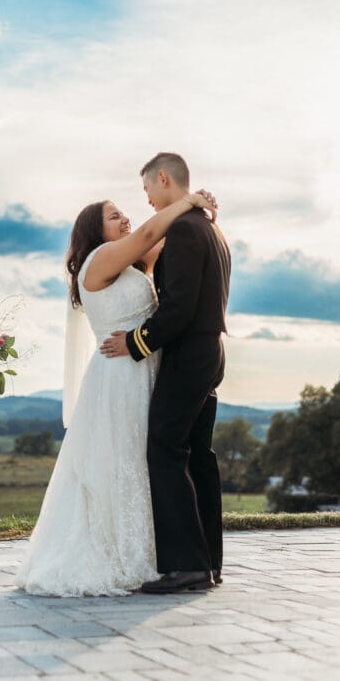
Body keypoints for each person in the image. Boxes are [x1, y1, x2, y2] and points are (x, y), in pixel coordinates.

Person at [14, 186, 217, 597]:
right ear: (94, 230)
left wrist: (203, 215)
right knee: (127, 458)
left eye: (125, 212)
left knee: (149, 462)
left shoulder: (131, 266)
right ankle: (125, 554)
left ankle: (174, 555)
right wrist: (189, 200)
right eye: (114, 216)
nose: (125, 218)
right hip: (120, 375)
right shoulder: (99, 261)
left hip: (147, 369)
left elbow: (168, 241)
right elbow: (146, 236)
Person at [101, 152, 231, 594]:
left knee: (165, 450)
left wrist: (134, 342)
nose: (149, 202)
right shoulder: (209, 227)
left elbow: (177, 310)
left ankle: (186, 566)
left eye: (147, 191)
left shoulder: (185, 231)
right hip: (210, 352)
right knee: (198, 455)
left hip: (189, 355)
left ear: (163, 179)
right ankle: (208, 562)